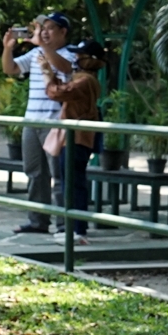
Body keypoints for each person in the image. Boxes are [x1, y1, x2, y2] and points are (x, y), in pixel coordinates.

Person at [0, 13, 76, 233]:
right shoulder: (35, 53)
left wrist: (43, 46)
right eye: (42, 27)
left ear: (63, 32)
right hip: (31, 121)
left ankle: (65, 223)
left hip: (55, 124)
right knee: (34, 172)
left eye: (50, 28)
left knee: (59, 175)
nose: (44, 31)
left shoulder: (69, 54)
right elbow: (10, 69)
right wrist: (7, 48)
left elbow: (64, 69)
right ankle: (38, 221)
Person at [46, 41, 105, 238]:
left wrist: (49, 77)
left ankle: (78, 229)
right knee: (70, 181)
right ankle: (74, 227)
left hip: (78, 139)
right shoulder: (83, 79)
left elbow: (60, 93)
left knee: (74, 182)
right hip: (73, 138)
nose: (75, 59)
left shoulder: (85, 80)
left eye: (80, 56)